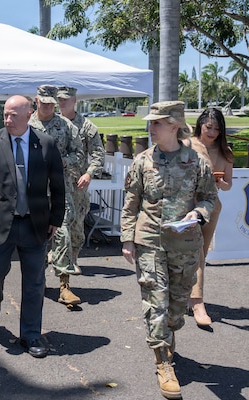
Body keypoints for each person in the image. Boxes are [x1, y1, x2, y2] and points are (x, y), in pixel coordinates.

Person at [121, 101, 217, 399]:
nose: (151, 128)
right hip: (149, 241)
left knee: (176, 309)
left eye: (157, 123)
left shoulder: (197, 161)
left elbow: (209, 199)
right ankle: (163, 361)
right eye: (151, 123)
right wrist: (127, 238)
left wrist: (198, 214)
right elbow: (131, 201)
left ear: (174, 126)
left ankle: (167, 334)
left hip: (185, 245)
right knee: (156, 301)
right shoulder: (142, 161)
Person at [0, 95, 65, 358]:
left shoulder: (45, 144)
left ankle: (31, 334)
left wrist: (56, 219)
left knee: (34, 282)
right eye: (6, 115)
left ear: (28, 114)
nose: (8, 119)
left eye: (14, 115)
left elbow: (58, 186)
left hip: (35, 226)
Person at [29, 84, 84, 305]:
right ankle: (37, 281)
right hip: (33, 192)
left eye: (51, 104)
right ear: (36, 100)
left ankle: (64, 286)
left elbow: (79, 153)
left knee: (63, 236)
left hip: (60, 191)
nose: (47, 107)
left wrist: (64, 161)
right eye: (43, 103)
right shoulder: (26, 125)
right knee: (35, 236)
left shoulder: (66, 126)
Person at [188, 107, 233, 326]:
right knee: (193, 253)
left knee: (200, 255)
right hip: (187, 207)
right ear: (200, 125)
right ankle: (197, 303)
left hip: (212, 207)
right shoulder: (187, 145)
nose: (212, 132)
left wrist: (221, 183)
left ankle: (189, 297)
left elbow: (228, 185)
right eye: (208, 127)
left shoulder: (225, 152)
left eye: (217, 128)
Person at [57, 86, 106, 269]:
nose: (62, 103)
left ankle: (73, 261)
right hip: (54, 184)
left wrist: (89, 173)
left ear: (74, 101)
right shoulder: (53, 123)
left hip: (77, 185)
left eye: (66, 100)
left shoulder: (86, 126)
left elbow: (98, 154)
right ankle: (50, 265)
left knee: (76, 228)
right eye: (60, 99)